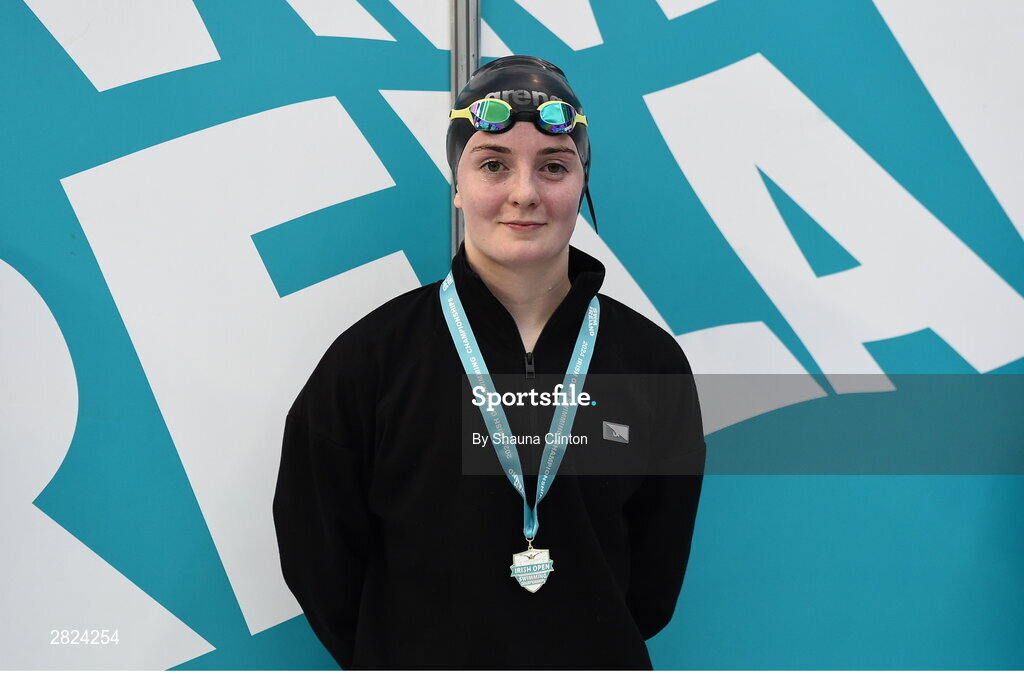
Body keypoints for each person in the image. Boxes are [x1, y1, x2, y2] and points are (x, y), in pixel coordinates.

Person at [273, 55, 705, 670]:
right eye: (494, 164)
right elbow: (319, 560)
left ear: (582, 184)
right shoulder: (370, 363)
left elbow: (652, 585)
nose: (524, 194)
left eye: (553, 167)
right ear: (456, 182)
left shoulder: (650, 365)